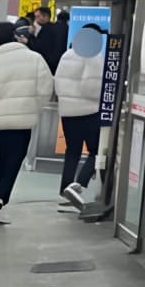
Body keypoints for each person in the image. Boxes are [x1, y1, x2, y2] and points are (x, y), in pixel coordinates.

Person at [0, 20, 52, 224]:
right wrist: (35, 108)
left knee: (1, 158)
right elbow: (46, 87)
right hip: (24, 120)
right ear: (15, 35)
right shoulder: (35, 59)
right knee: (15, 159)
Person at [52, 27, 102, 206]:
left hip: (68, 112)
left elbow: (57, 83)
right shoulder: (94, 57)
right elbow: (91, 88)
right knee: (96, 152)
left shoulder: (67, 55)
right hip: (89, 111)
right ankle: (78, 185)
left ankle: (65, 188)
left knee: (72, 151)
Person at [35, 8, 69, 74]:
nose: (36, 20)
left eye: (38, 16)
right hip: (62, 63)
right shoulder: (68, 29)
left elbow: (38, 46)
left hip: (47, 64)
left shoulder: (47, 28)